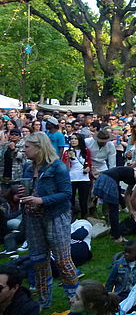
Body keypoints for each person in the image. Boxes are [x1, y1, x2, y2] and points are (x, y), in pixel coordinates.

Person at [20, 132, 79, 309]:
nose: (24, 150)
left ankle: (74, 297)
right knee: (38, 260)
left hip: (56, 217)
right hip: (33, 218)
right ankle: (44, 301)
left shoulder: (57, 167)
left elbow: (67, 194)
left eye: (27, 147)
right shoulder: (28, 168)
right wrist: (21, 195)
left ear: (39, 147)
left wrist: (42, 200)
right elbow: (29, 190)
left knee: (62, 259)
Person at [94, 166, 136, 243]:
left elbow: (127, 195)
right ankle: (117, 237)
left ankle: (113, 232)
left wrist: (131, 210)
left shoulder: (134, 175)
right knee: (114, 209)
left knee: (112, 208)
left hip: (104, 177)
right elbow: (134, 198)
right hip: (110, 180)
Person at [62, 133, 92, 219]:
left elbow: (89, 163)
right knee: (70, 200)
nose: (73, 140)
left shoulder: (86, 151)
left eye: (75, 139)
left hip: (84, 178)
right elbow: (65, 168)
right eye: (72, 139)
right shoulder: (67, 152)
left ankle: (84, 218)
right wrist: (68, 158)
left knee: (83, 200)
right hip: (71, 178)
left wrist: (88, 168)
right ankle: (71, 218)